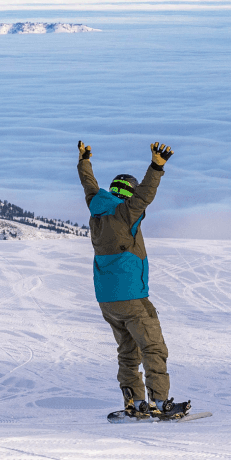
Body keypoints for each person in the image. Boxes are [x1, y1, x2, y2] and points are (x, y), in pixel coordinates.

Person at [77, 139, 190, 420]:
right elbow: (145, 195)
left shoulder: (96, 209)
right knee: (153, 346)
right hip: (131, 294)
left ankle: (135, 403)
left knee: (128, 351)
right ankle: (160, 402)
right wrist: (156, 166)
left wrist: (84, 161)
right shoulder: (126, 211)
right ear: (127, 195)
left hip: (107, 299)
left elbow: (89, 186)